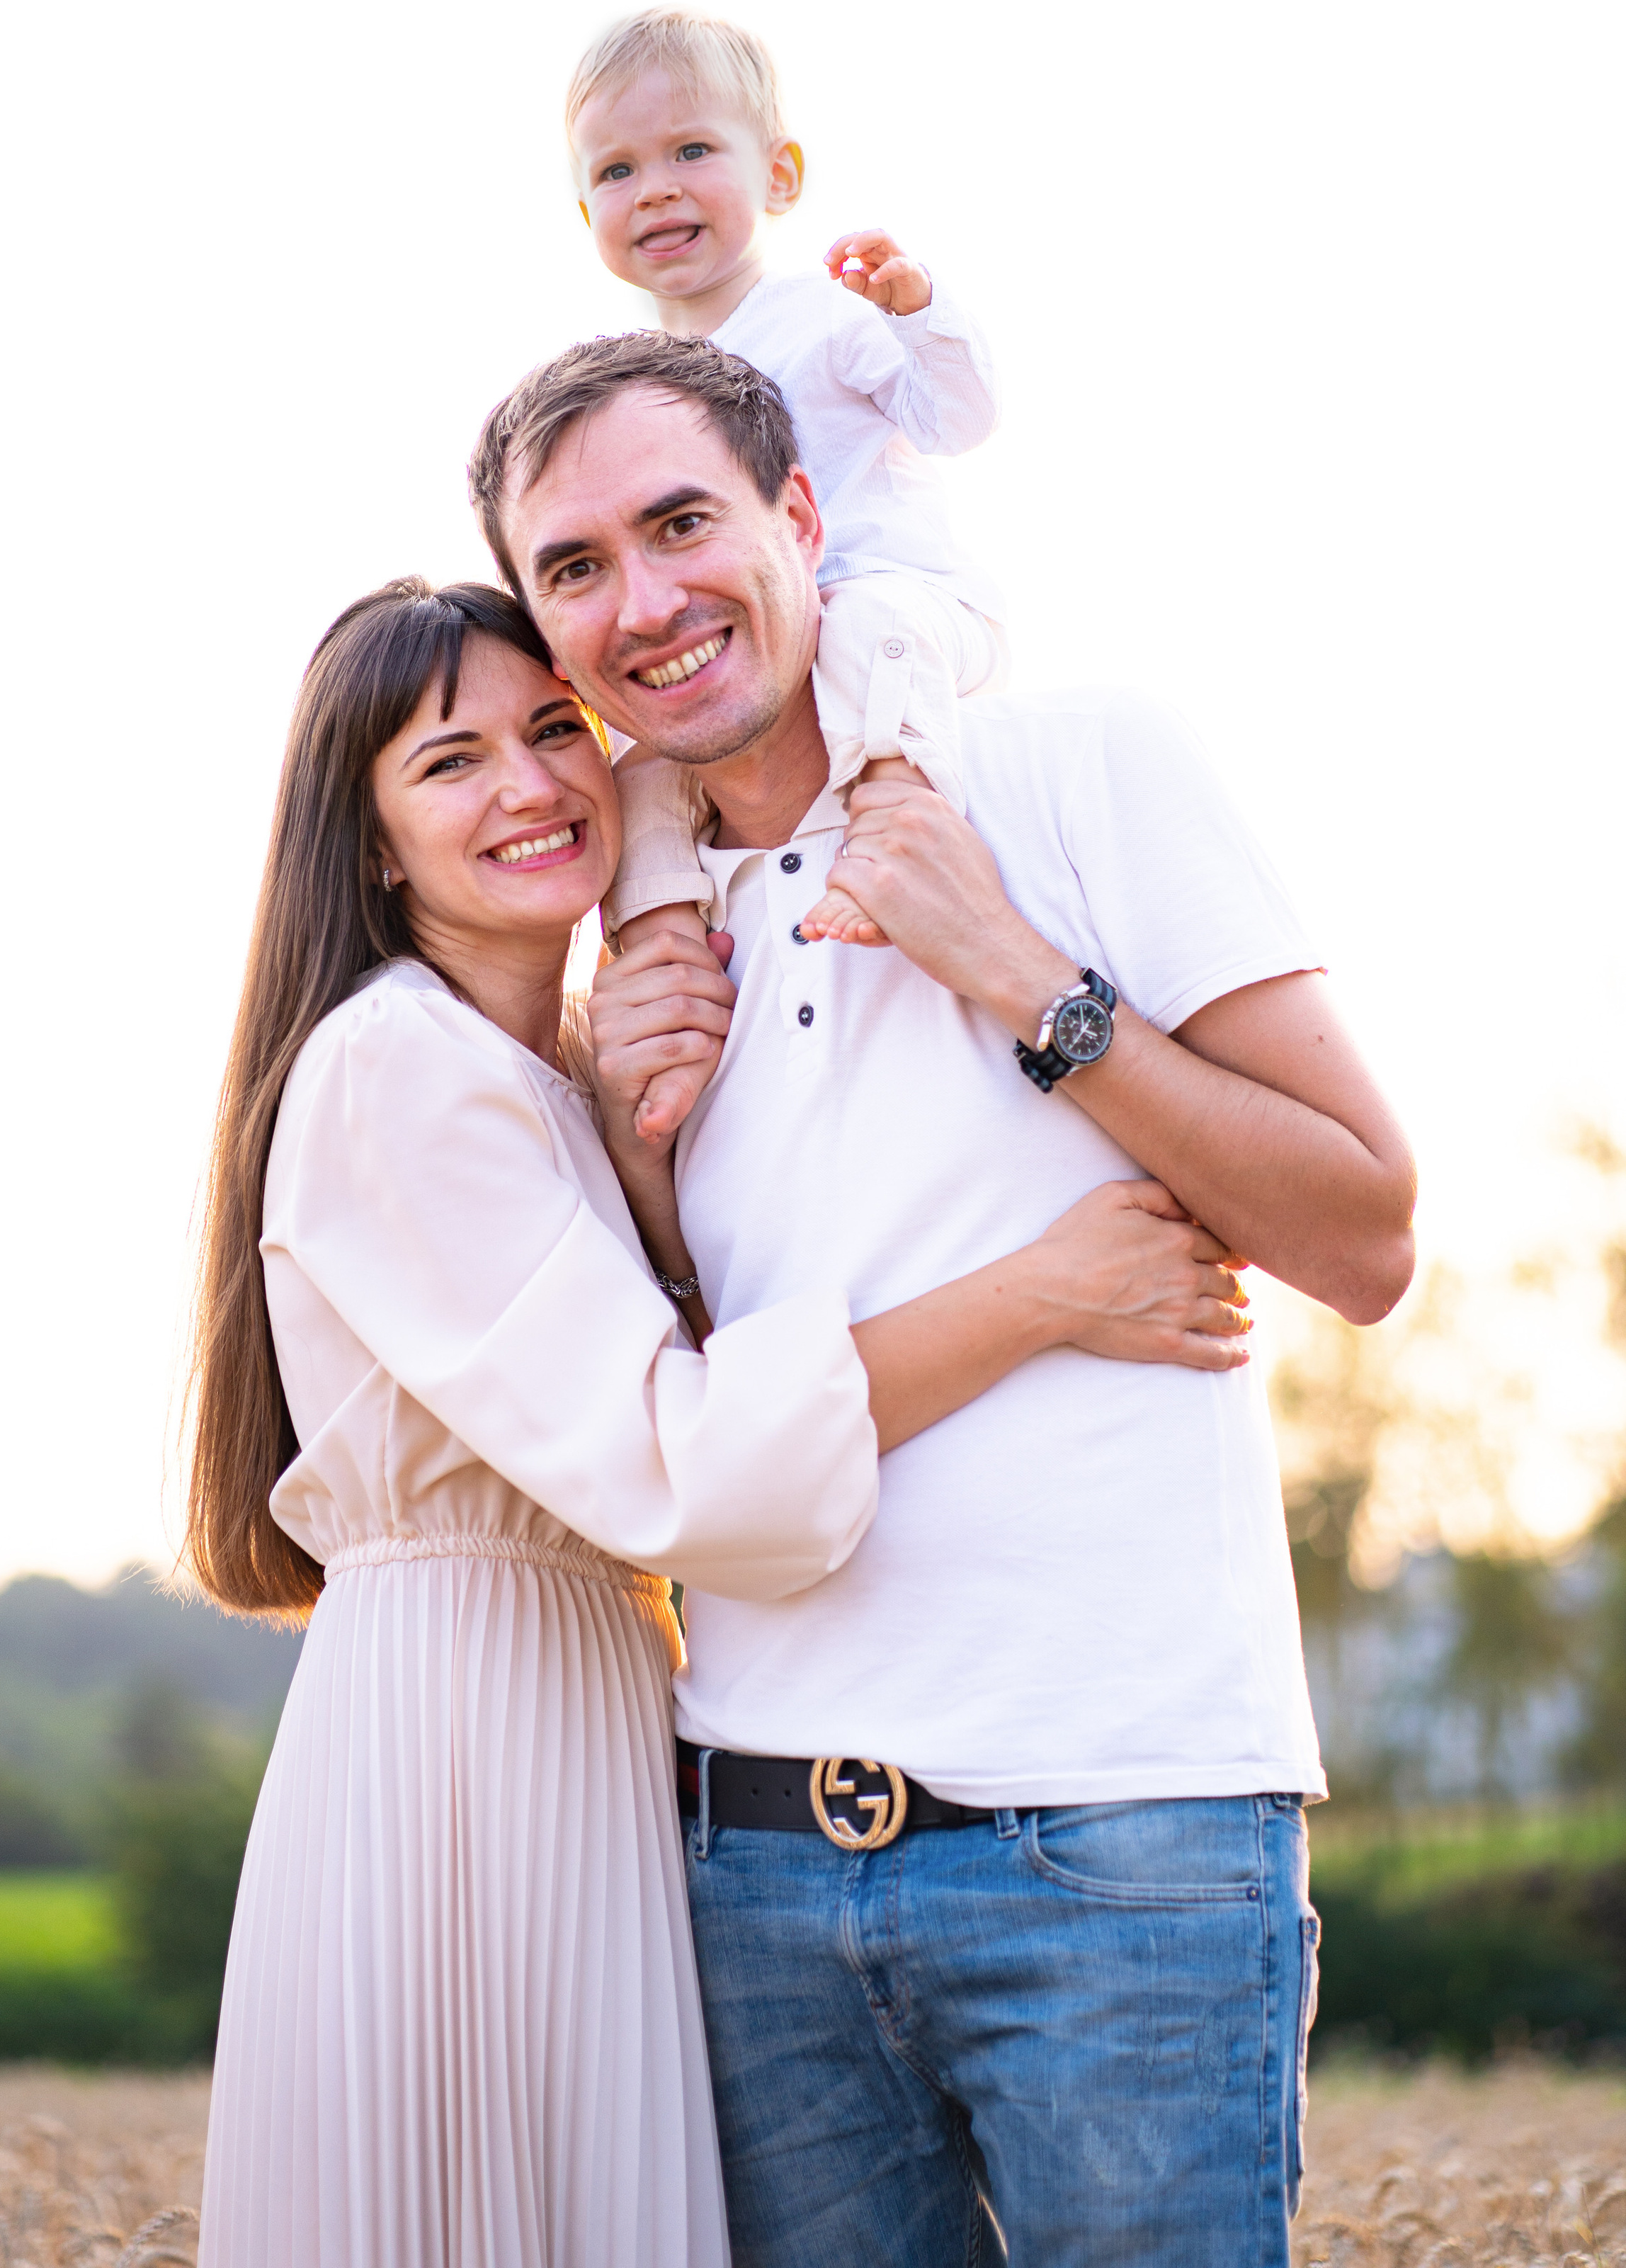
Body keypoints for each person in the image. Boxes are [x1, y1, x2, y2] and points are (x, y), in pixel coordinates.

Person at [471, 336, 1419, 2267]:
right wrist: (640, 1159)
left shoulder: (1072, 766)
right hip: (748, 1870)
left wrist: (1023, 980)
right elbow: (673, 1411)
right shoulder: (632, 944)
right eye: (575, 567)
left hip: (1124, 1840)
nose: (643, 603)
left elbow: (1365, 1234)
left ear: (803, 517)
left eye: (682, 525)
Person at [186, 574, 1256, 2268]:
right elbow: (681, 1467)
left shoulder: (542, 1073)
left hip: (593, 1720)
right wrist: (1038, 1295)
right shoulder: (397, 1068)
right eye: (448, 764)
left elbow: (882, 620)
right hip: (466, 1745)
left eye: (554, 732)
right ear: (369, 844)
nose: (532, 788)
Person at [567, 6, 1004, 1130]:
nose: (656, 188)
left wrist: (915, 311)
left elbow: (956, 418)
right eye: (618, 170)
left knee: (854, 622)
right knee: (645, 757)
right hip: (755, 663)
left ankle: (897, 815)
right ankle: (665, 939)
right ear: (586, 214)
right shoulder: (631, 388)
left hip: (900, 614)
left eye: (692, 151)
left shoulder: (821, 319)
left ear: (782, 173)